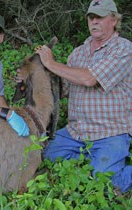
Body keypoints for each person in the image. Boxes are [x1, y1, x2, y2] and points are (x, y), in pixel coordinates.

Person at [34, 0, 132, 193]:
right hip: (76, 132)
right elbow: (65, 89)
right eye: (91, 17)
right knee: (43, 156)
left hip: (110, 132)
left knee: (102, 185)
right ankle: (94, 160)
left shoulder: (124, 49)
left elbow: (89, 79)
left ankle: (104, 165)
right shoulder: (78, 53)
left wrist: (51, 63)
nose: (94, 21)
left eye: (100, 17)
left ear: (113, 20)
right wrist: (34, 75)